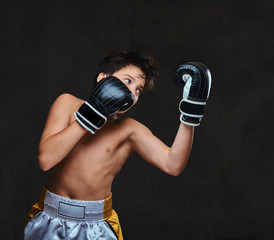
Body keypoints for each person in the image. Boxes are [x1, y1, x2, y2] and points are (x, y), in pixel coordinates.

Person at [23, 49, 212, 240]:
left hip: (96, 228)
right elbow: (46, 160)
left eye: (138, 90)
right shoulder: (68, 104)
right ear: (102, 78)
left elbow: (173, 164)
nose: (132, 93)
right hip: (48, 218)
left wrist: (191, 114)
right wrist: (92, 113)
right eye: (128, 81)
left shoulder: (129, 129)